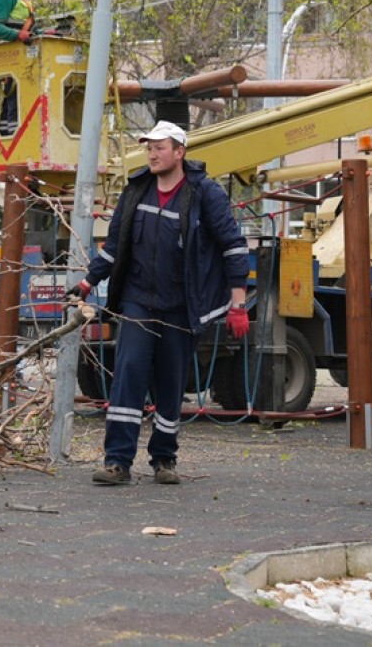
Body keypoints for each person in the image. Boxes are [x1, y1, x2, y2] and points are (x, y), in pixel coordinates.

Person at [67, 120, 251, 485]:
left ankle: (164, 459)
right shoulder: (136, 191)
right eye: (149, 148)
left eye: (159, 147)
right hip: (138, 303)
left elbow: (233, 248)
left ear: (179, 152)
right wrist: (88, 282)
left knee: (170, 383)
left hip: (181, 306)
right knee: (128, 374)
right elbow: (114, 247)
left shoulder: (205, 194)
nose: (151, 154)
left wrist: (238, 305)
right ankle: (117, 461)